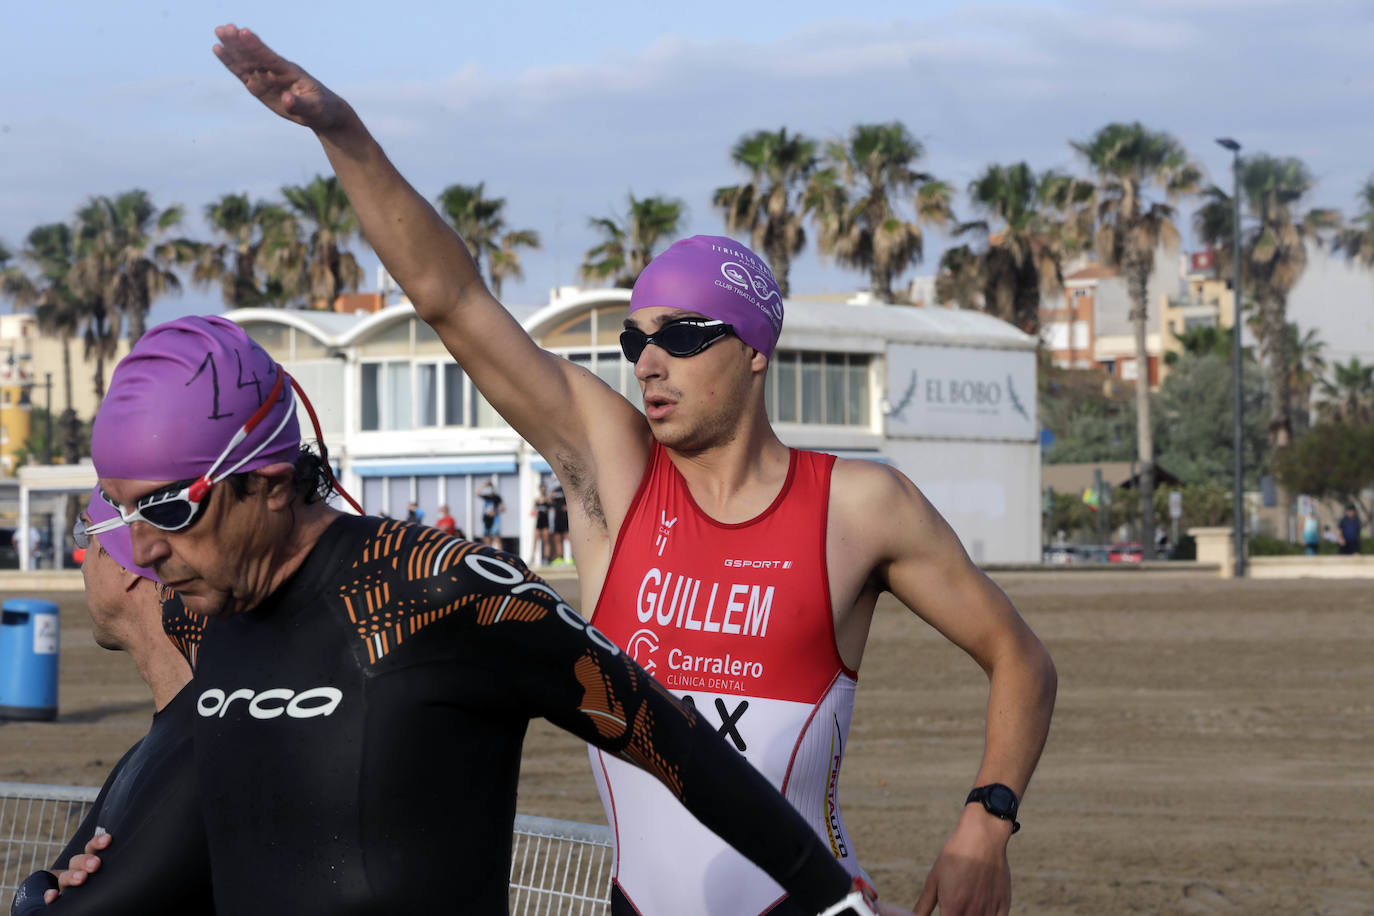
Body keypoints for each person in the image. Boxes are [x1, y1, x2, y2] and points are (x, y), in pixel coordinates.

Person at [210, 24, 1056, 916]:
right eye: (634, 340)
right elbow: (453, 302)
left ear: (757, 351)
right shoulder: (617, 477)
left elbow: (1021, 659)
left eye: (682, 338)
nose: (649, 362)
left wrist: (985, 823)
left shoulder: (856, 505)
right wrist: (342, 133)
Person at [88, 307, 881, 915]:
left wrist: (832, 899)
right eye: (122, 515)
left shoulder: (441, 588)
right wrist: (83, 875)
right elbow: (200, 810)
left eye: (167, 510)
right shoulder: (207, 615)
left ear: (264, 479)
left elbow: (669, 739)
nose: (145, 552)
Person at [9, 491, 210, 916]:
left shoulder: (197, 746)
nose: (82, 561)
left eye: (88, 534)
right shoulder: (170, 736)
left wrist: (34, 890)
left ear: (129, 567)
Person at [478, 480, 504, 547]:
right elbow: (477, 493)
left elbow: (503, 508)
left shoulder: (497, 497)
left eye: (489, 487)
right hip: (486, 519)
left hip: (494, 520)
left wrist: (495, 512)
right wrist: (483, 486)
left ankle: (500, 554)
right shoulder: (486, 497)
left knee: (496, 538)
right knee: (486, 538)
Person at [532, 483, 553, 565]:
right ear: (539, 490)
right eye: (541, 489)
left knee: (546, 541)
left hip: (545, 523)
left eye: (544, 489)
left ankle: (547, 558)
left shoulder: (548, 500)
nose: (543, 490)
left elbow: (552, 507)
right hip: (538, 523)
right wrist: (535, 512)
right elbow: (533, 511)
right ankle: (532, 557)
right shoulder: (536, 500)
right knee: (535, 541)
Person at [550, 483, 569, 564]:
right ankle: (559, 557)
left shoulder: (566, 488)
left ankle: (569, 557)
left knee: (567, 537)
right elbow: (551, 503)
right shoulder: (554, 491)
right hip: (557, 518)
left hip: (565, 518)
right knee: (557, 538)